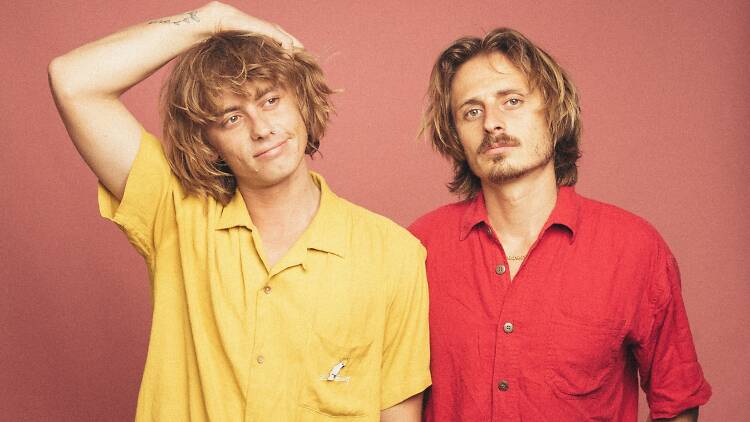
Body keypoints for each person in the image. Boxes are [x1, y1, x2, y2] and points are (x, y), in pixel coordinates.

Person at [48, 3, 430, 420]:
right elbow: (73, 80)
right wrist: (213, 19)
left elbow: (398, 412)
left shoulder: (394, 252)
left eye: (270, 100)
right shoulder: (176, 212)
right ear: (208, 141)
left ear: (301, 101)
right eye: (231, 118)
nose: (261, 128)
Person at [409, 28, 711, 421]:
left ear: (553, 111)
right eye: (471, 111)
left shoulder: (634, 248)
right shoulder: (419, 246)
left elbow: (677, 401)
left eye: (512, 101)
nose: (491, 123)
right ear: (455, 135)